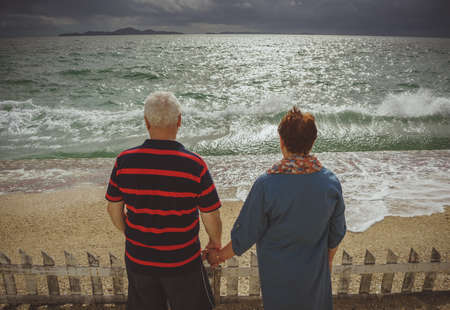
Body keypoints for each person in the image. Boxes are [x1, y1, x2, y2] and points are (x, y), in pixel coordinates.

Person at [207, 107, 346, 310]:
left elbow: (245, 234)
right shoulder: (330, 183)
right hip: (315, 276)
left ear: (281, 142)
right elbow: (337, 232)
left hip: (279, 279)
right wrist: (328, 262)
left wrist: (217, 256)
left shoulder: (267, 184)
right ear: (313, 142)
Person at [105, 91, 222, 310]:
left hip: (139, 259)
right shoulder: (194, 165)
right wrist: (215, 242)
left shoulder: (124, 161)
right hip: (183, 261)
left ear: (146, 122)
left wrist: (131, 233)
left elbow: (113, 209)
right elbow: (210, 214)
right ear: (179, 121)